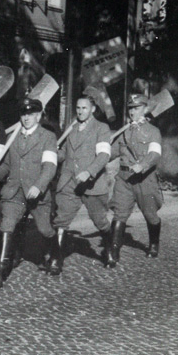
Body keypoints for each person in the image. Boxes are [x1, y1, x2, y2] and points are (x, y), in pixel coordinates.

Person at [0, 97, 58, 287]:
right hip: (14, 191)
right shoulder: (13, 136)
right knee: (7, 224)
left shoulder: (47, 137)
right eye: (23, 114)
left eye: (31, 114)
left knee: (45, 229)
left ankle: (54, 255)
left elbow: (50, 166)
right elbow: (7, 165)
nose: (27, 118)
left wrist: (39, 185)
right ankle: (3, 267)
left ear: (38, 115)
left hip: (37, 192)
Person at [50, 95, 113, 274]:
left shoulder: (102, 128)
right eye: (78, 107)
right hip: (69, 181)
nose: (80, 111)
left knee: (99, 221)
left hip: (91, 184)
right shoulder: (72, 128)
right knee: (61, 220)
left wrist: (89, 171)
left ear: (92, 109)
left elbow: (103, 155)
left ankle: (109, 250)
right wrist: (53, 153)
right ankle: (56, 258)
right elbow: (64, 153)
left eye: (84, 108)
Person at [106, 93, 163, 267]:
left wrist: (143, 164)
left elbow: (155, 153)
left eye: (136, 108)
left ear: (145, 109)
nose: (132, 112)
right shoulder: (124, 132)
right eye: (130, 108)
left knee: (150, 215)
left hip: (145, 179)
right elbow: (111, 153)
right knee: (119, 213)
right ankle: (113, 253)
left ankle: (154, 244)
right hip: (124, 179)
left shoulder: (153, 131)